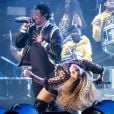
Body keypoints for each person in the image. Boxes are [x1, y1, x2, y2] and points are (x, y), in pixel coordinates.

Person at [15, 4, 63, 99]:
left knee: (53, 104)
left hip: (51, 75)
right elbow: (18, 43)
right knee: (39, 104)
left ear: (44, 15)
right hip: (36, 75)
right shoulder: (31, 29)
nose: (34, 16)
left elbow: (57, 51)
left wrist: (43, 42)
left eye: (36, 14)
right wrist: (25, 26)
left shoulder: (54, 30)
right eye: (34, 14)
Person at [24, 59, 104, 114]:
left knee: (50, 94)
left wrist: (31, 75)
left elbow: (44, 82)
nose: (75, 68)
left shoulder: (62, 76)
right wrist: (100, 77)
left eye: (73, 72)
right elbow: (101, 69)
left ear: (70, 76)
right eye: (78, 70)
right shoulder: (85, 64)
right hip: (60, 89)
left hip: (55, 86)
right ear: (83, 70)